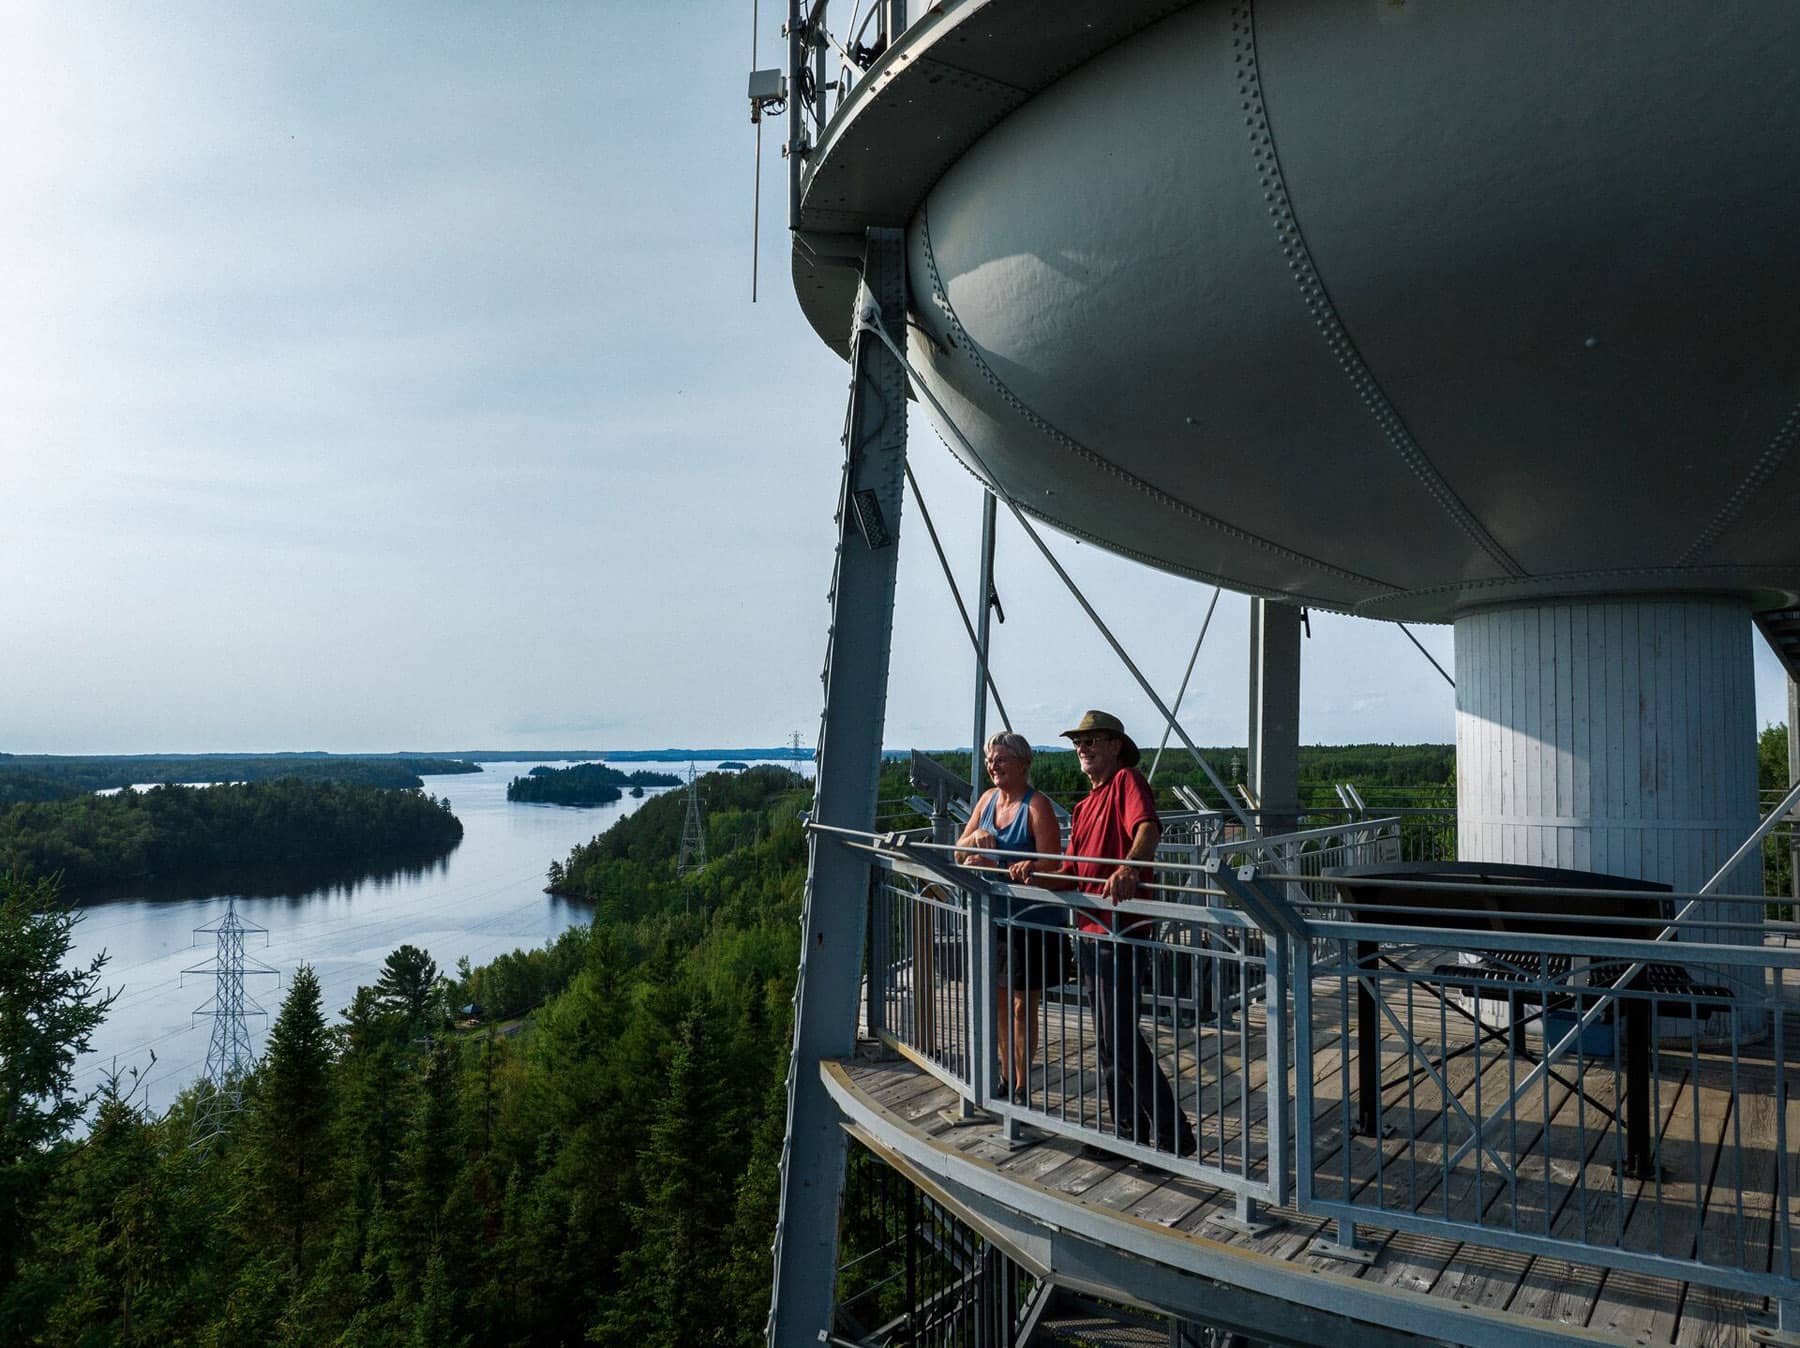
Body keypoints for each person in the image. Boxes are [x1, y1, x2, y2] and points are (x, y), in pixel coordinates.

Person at [1008, 710, 1196, 1157]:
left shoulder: (1127, 782)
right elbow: (1072, 872)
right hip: (1091, 934)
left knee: (1122, 1039)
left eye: (1092, 740)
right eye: (1078, 742)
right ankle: (1126, 1134)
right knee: (1110, 1043)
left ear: (1115, 746)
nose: (1083, 748)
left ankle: (1173, 1136)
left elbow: (1147, 829)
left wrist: (1130, 868)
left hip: (1122, 931)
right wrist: (1034, 873)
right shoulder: (1084, 806)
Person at [955, 731, 1063, 1102]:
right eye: (990, 759)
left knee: (1021, 1006)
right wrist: (974, 839)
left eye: (1000, 759)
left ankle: (1021, 1085)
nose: (993, 765)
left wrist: (1006, 867)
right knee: (999, 1003)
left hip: (1031, 921)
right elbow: (958, 852)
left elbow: (1053, 865)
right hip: (995, 920)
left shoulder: (1037, 807)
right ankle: (1005, 1075)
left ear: (1022, 763)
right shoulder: (987, 800)